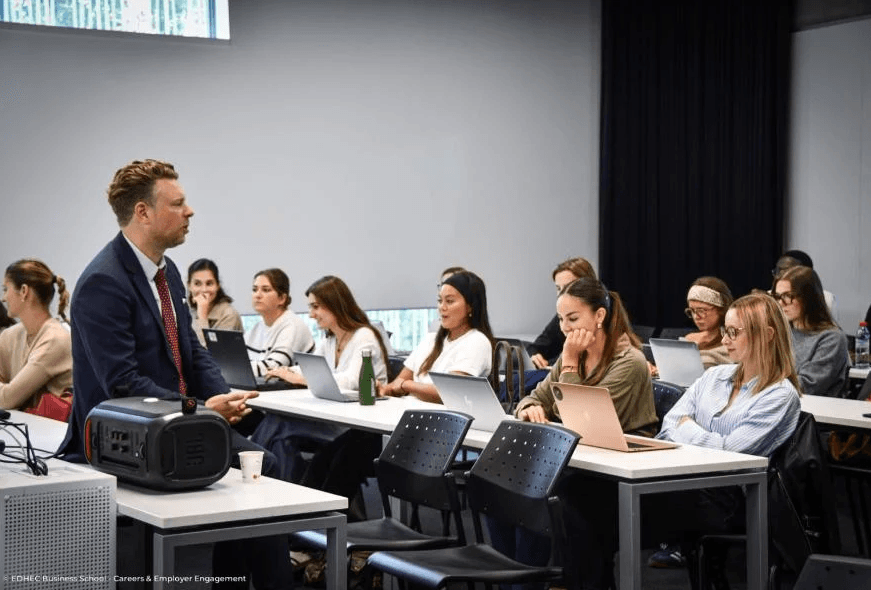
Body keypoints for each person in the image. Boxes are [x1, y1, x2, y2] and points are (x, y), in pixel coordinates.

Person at [58, 159, 291, 589]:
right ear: (143, 212)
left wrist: (225, 400)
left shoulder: (167, 274)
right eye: (179, 203)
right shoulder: (103, 283)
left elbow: (192, 353)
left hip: (178, 425)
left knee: (263, 463)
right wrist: (203, 410)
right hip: (127, 439)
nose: (191, 212)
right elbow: (124, 387)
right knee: (266, 465)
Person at [563, 293, 802, 590]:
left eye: (733, 332)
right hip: (680, 478)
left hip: (724, 498)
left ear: (766, 335)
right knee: (577, 491)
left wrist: (689, 428)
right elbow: (671, 423)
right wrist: (698, 433)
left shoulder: (780, 395)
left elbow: (729, 453)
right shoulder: (714, 376)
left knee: (593, 510)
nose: (725, 339)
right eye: (725, 330)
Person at [253, 275, 390, 483]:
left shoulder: (364, 336)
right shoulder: (330, 338)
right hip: (332, 416)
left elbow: (353, 380)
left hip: (356, 428)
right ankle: (292, 498)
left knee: (280, 425)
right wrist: (285, 370)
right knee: (281, 436)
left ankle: (258, 480)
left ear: (335, 304)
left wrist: (301, 379)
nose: (311, 314)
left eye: (316, 307)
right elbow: (312, 367)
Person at [516, 277, 657, 435]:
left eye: (573, 319)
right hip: (586, 448)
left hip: (627, 454)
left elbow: (582, 421)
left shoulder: (631, 362)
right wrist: (529, 409)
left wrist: (570, 363)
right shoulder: (575, 354)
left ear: (599, 316)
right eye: (561, 319)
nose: (564, 327)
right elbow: (535, 398)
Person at [379, 270, 494, 403]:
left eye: (450, 301)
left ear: (470, 307)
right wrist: (381, 389)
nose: (442, 307)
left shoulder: (476, 341)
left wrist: (407, 385)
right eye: (440, 301)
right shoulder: (431, 339)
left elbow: (448, 393)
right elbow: (398, 382)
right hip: (407, 410)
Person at [0, 259, 72, 411]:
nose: (3, 298)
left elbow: (7, 399)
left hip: (49, 433)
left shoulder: (55, 340)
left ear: (24, 291)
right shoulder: (9, 335)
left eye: (6, 289)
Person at [774, 265, 849, 397]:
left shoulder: (832, 338)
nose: (781, 303)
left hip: (812, 412)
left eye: (788, 296)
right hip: (778, 401)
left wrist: (762, 385)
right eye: (778, 296)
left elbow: (807, 385)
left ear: (808, 297)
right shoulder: (781, 331)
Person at [527, 256, 598, 369]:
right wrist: (534, 356)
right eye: (559, 289)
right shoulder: (563, 317)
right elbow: (536, 347)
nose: (562, 294)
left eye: (569, 287)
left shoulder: (602, 322)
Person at [245, 267, 314, 377]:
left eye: (266, 290)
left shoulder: (292, 326)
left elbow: (272, 368)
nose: (257, 295)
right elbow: (239, 363)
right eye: (254, 289)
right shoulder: (257, 327)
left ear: (282, 298)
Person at [187, 258, 242, 346]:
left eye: (209, 284)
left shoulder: (229, 315)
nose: (203, 290)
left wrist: (202, 316)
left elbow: (210, 355)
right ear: (189, 286)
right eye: (197, 284)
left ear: (217, 286)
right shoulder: (185, 310)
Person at [682, 276, 734, 368]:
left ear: (720, 310)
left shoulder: (732, 342)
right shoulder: (689, 339)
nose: (696, 317)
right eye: (692, 311)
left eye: (702, 310)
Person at [771, 249, 836, 318]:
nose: (781, 277)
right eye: (778, 271)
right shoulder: (766, 299)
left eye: (789, 272)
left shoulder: (827, 299)